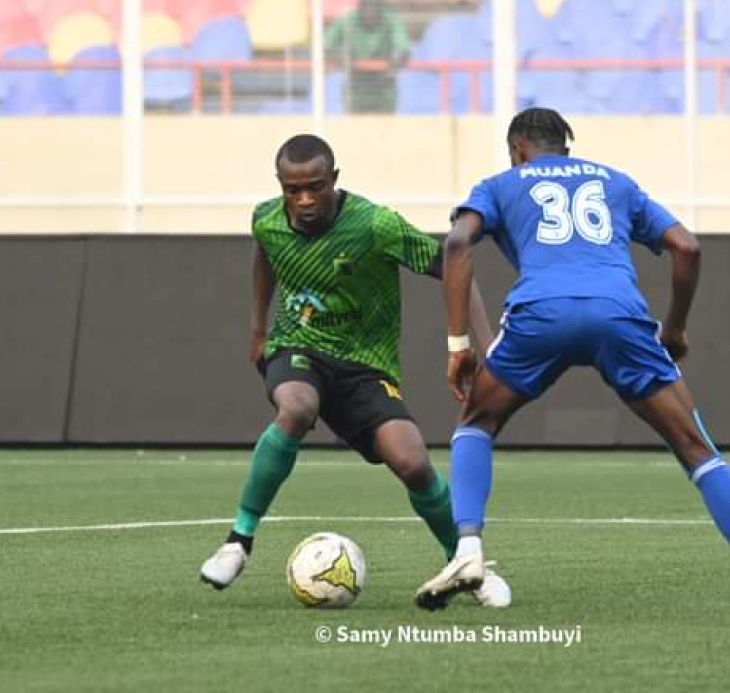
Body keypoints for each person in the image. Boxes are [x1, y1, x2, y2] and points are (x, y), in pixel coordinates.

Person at [413, 108, 730, 629]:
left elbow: (459, 243)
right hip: (619, 315)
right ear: (566, 148)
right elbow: (686, 247)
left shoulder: (501, 182)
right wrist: (674, 328)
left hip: (542, 315)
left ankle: (467, 547)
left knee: (477, 422)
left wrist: (459, 343)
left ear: (516, 150)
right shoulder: (615, 181)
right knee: (696, 449)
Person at [199, 133, 510, 608]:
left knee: (411, 460)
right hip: (298, 347)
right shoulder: (266, 218)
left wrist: (483, 347)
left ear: (335, 180)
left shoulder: (374, 224)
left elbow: (454, 267)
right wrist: (258, 329)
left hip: (365, 365)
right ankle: (238, 541)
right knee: (296, 408)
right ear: (280, 186)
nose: (304, 200)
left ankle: (465, 564)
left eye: (316, 187)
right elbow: (265, 255)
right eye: (292, 189)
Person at [324, 0, 410, 113]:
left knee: (385, 129)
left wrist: (396, 62)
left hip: (384, 87)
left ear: (382, 8)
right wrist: (340, 57)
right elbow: (326, 47)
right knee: (355, 128)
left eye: (374, 6)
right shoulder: (347, 20)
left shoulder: (391, 21)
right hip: (356, 87)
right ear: (359, 7)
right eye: (365, 5)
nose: (369, 10)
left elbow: (404, 49)